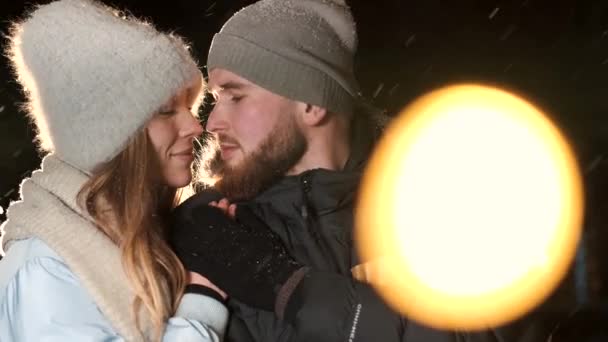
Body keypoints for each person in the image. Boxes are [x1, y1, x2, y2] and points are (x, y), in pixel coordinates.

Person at [169, 0, 552, 341]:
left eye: (235, 97)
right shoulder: (209, 231)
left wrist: (289, 288)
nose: (212, 122)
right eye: (216, 100)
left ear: (310, 104)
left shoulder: (444, 215)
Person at [0, 0, 228, 341]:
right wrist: (201, 309)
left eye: (189, 107)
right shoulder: (46, 266)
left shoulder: (149, 238)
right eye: (167, 111)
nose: (195, 126)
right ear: (118, 139)